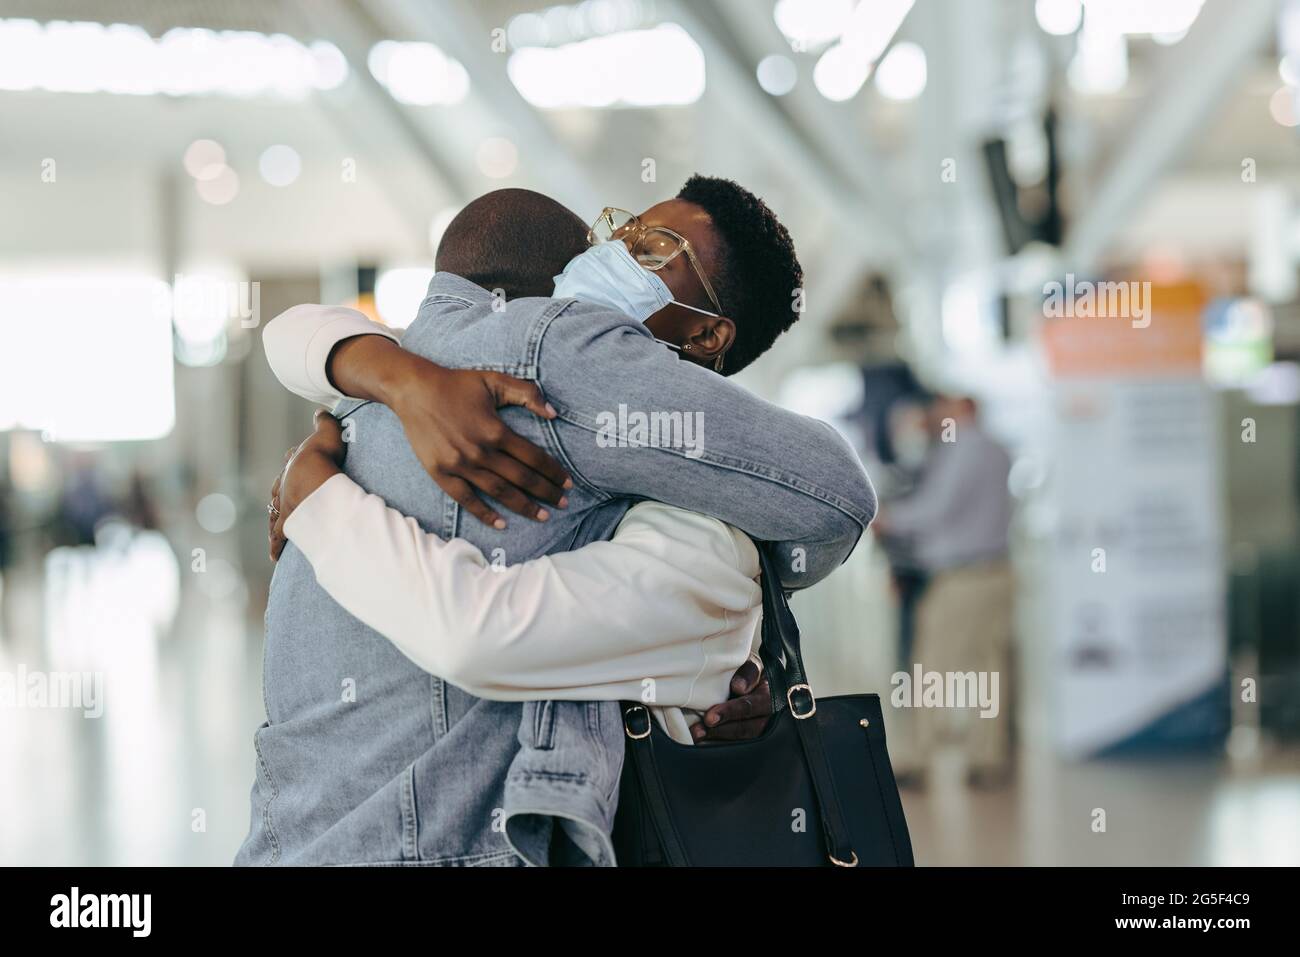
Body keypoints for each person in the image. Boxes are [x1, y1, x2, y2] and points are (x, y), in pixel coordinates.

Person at [237, 180, 876, 867]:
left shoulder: (375, 398)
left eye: (656, 249)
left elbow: (834, 490)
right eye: (623, 231)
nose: (619, 251)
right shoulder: (453, 377)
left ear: (707, 332)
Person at [874, 396, 1014, 788]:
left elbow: (938, 507)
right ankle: (987, 757)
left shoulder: (963, 447)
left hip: (961, 577)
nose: (935, 416)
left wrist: (887, 519)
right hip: (997, 570)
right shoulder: (997, 448)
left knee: (932, 668)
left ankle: (919, 758)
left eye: (943, 409)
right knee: (989, 667)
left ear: (964, 409)